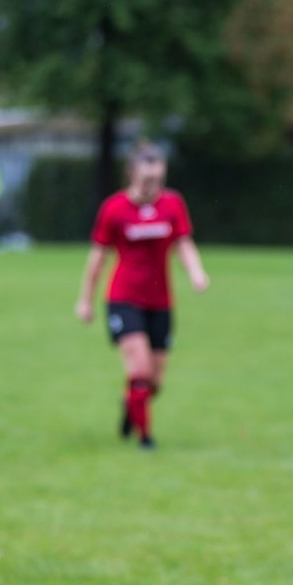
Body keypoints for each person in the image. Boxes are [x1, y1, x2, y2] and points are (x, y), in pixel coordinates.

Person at [76, 141, 209, 449]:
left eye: (159, 180)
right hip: (123, 298)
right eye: (147, 180)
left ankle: (130, 404)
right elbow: (98, 257)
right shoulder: (114, 208)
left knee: (155, 382)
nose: (153, 186)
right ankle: (145, 438)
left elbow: (184, 243)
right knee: (140, 369)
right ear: (132, 175)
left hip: (161, 302)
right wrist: (85, 300)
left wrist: (196, 273)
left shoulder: (173, 204)